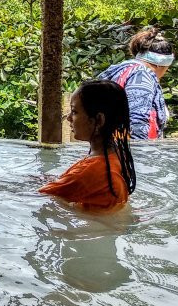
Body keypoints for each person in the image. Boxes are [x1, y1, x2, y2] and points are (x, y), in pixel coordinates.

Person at [40, 80, 136, 211]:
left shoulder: (88, 172)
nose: (68, 118)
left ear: (99, 120)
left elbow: (38, 197)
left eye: (74, 112)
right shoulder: (118, 155)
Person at [97, 27, 173, 139]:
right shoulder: (142, 75)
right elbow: (136, 121)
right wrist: (139, 152)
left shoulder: (120, 71)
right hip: (126, 150)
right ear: (161, 64)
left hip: (107, 146)